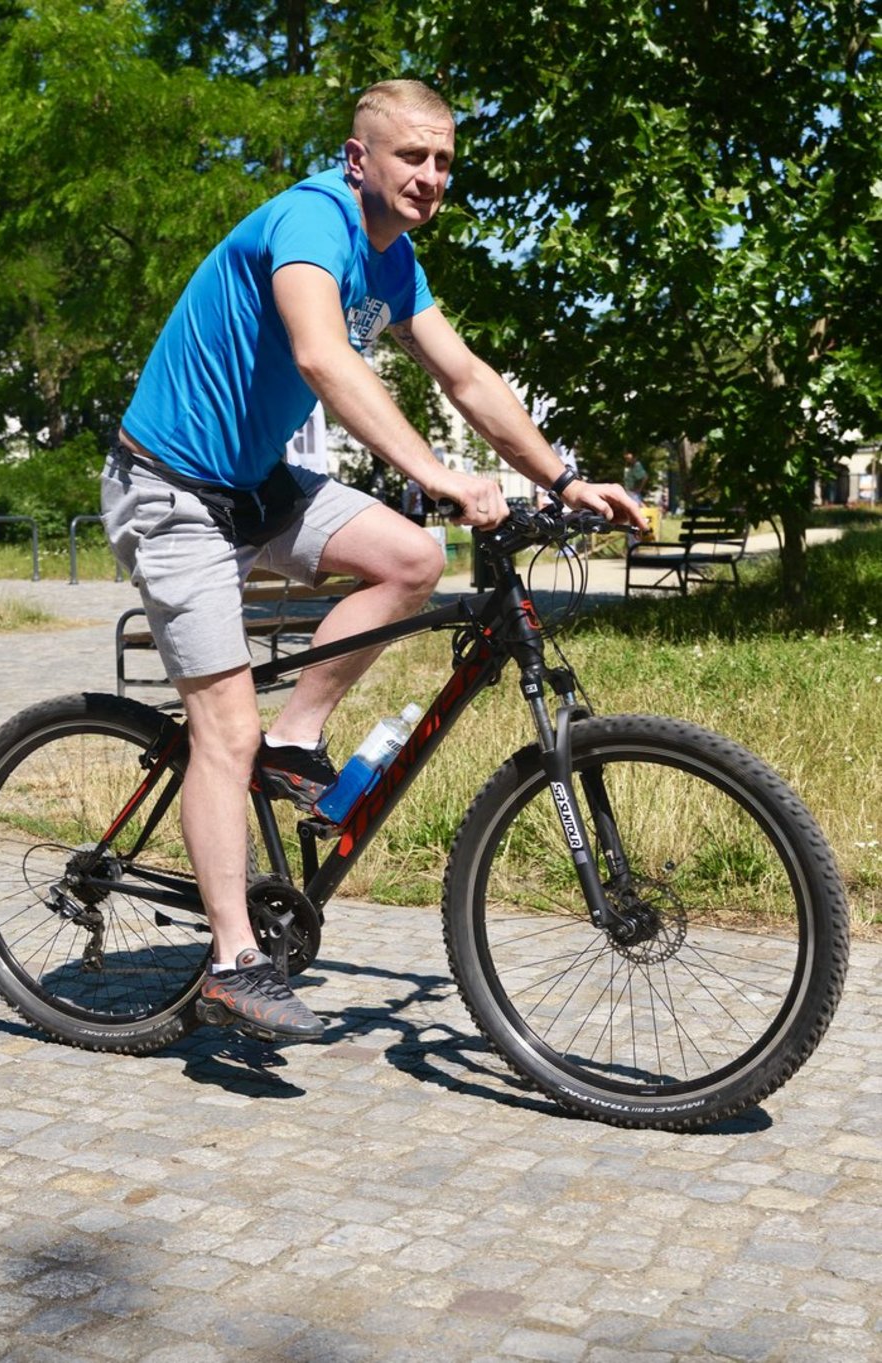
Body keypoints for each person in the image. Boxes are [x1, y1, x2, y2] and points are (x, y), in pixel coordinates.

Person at [101, 79, 645, 1043]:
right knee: (221, 729)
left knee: (409, 557)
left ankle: (296, 743)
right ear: (361, 159)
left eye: (442, 160)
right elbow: (321, 356)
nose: (431, 176)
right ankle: (232, 961)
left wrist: (564, 481)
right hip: (173, 487)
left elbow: (467, 375)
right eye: (412, 157)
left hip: (253, 482)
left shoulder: (396, 264)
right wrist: (437, 470)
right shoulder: (312, 221)